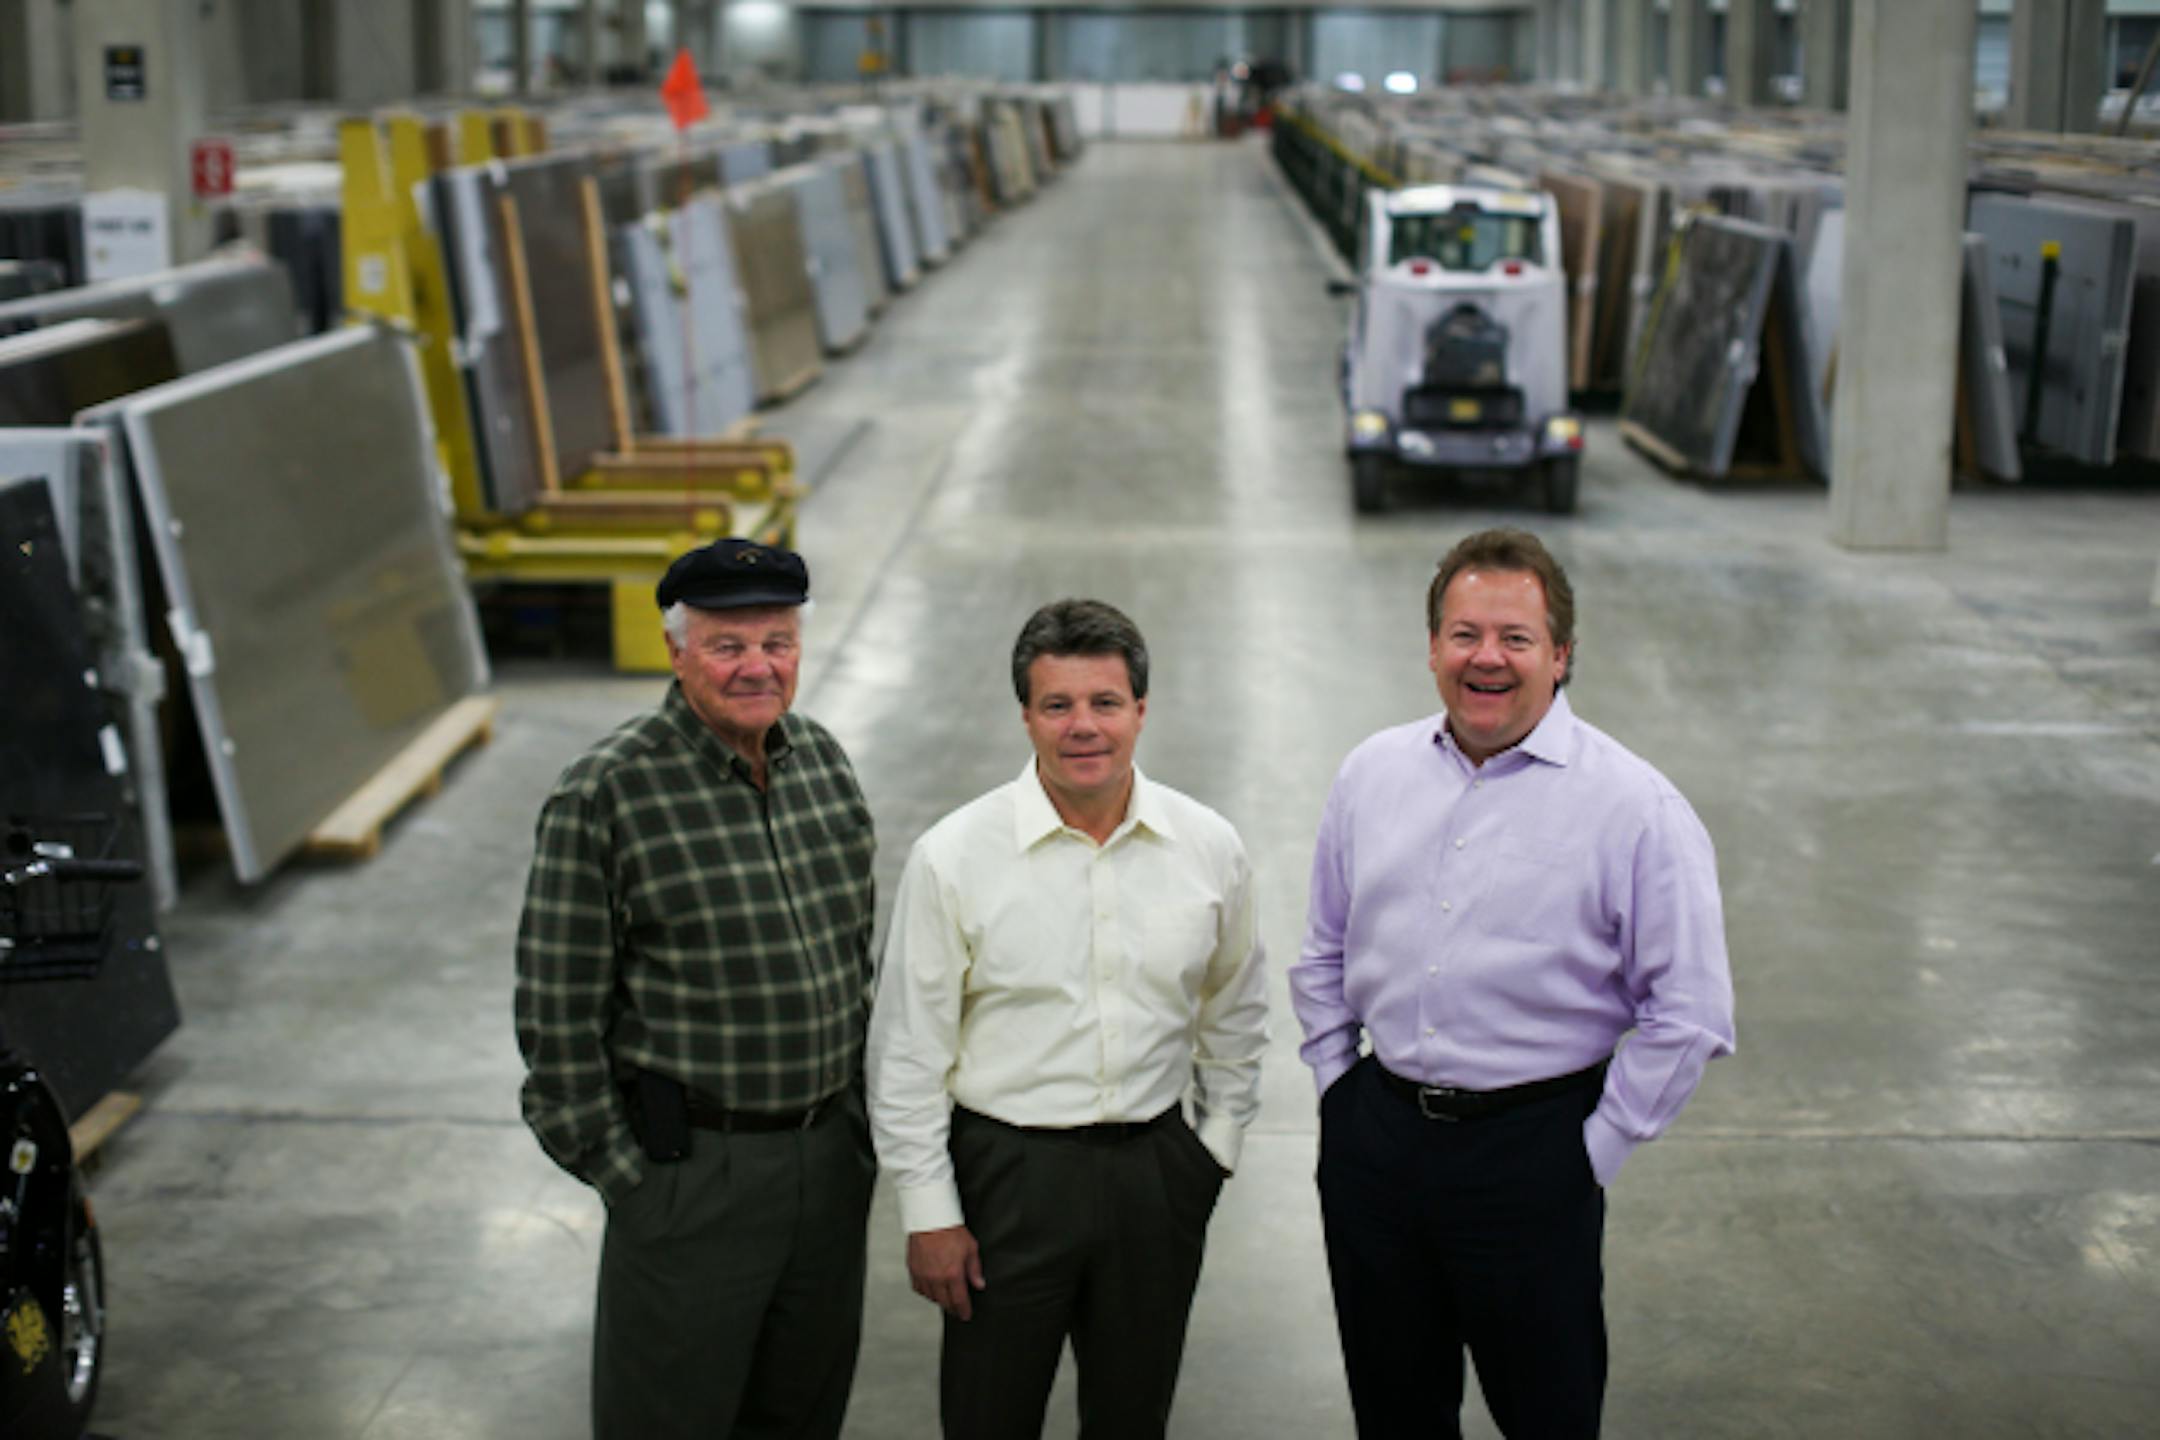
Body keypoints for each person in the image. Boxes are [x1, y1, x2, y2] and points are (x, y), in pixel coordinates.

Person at [1290, 528, 1735, 1439]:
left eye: (1516, 638)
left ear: (1561, 656)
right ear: (1432, 647)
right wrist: (1340, 1094)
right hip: (1376, 1146)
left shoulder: (1634, 808)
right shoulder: (1372, 774)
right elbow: (1324, 951)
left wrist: (1589, 1153)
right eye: (1463, 634)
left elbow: (1689, 1013)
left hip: (1533, 1156)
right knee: (1394, 1411)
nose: (1486, 658)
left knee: (1547, 1414)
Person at [867, 598, 1269, 1440]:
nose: (1082, 727)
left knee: (1133, 1417)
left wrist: (1214, 1147)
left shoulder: (1208, 846)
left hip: (1154, 1174)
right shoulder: (955, 856)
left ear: (1141, 711)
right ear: (1026, 715)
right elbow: (908, 1052)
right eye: (1057, 705)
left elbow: (1236, 1006)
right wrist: (929, 1210)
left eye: (1104, 703)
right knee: (988, 1416)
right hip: (1007, 1179)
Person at [514, 537, 878, 1440]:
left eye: (778, 641)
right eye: (728, 644)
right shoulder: (606, 794)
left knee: (803, 1412)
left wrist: (860, 1131)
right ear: (677, 652)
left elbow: (857, 961)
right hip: (693, 1178)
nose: (758, 666)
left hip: (828, 1167)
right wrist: (634, 1185)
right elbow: (555, 1023)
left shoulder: (823, 765)